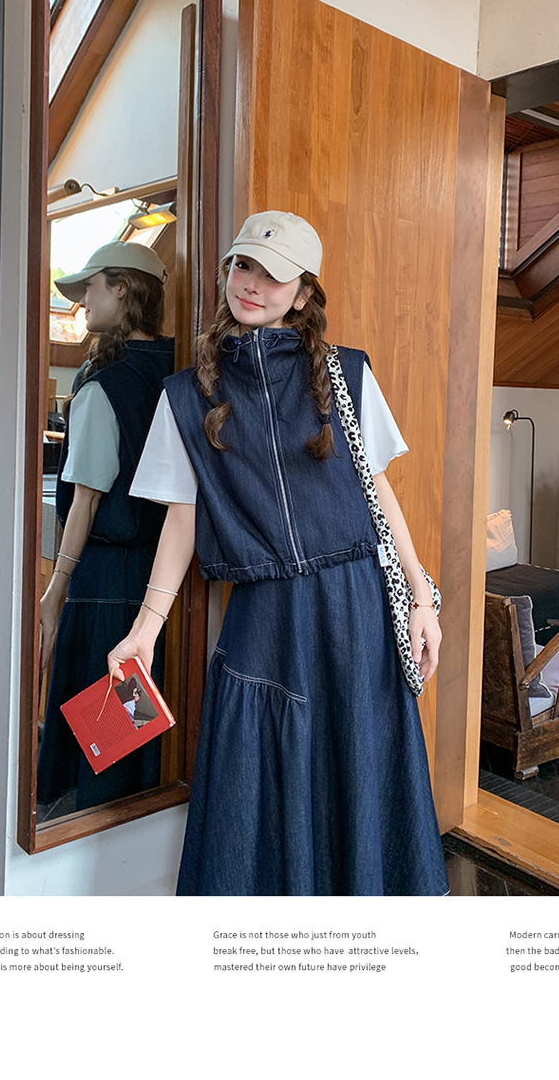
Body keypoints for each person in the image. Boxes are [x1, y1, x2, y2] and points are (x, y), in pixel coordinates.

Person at [110, 212, 449, 895]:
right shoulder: (185, 395)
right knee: (254, 791)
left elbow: (378, 491)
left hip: (354, 609)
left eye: (273, 274)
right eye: (243, 265)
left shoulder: (347, 374)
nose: (252, 283)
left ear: (302, 292)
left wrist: (421, 599)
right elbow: (183, 515)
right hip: (263, 615)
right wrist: (146, 629)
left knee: (357, 776)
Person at [37, 242, 175, 811]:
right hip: (161, 577)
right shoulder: (179, 373)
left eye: (90, 288)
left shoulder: (103, 387)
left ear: (122, 288)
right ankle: (135, 819)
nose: (83, 302)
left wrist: (55, 590)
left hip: (104, 583)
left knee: (100, 734)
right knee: (137, 730)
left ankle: (95, 823)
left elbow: (86, 502)